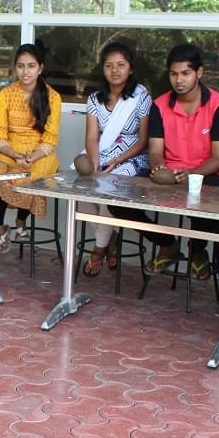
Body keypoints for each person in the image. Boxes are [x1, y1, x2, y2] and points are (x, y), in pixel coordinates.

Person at [73, 41, 169, 277]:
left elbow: (143, 140)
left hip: (131, 157)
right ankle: (110, 236)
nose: (114, 70)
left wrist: (115, 162)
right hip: (102, 154)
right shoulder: (95, 98)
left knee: (110, 191)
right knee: (78, 190)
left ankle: (99, 248)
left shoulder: (141, 97)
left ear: (130, 68)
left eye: (120, 65)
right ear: (103, 69)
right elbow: (92, 136)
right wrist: (94, 163)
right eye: (108, 66)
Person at [146, 43, 219, 279]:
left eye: (185, 73)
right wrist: (158, 166)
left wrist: (192, 173)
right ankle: (167, 244)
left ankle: (197, 250)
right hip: (168, 173)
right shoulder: (159, 105)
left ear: (199, 73)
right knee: (120, 200)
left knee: (207, 194)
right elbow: (155, 150)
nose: (179, 80)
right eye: (173, 74)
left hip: (205, 174)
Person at [0, 43, 62, 251]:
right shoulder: (5, 95)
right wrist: (14, 154)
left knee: (33, 177)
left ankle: (21, 222)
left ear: (40, 68)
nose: (25, 71)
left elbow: (50, 139)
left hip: (40, 153)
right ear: (15, 68)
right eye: (20, 66)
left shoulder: (53, 97)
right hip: (9, 151)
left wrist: (33, 156)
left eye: (31, 66)